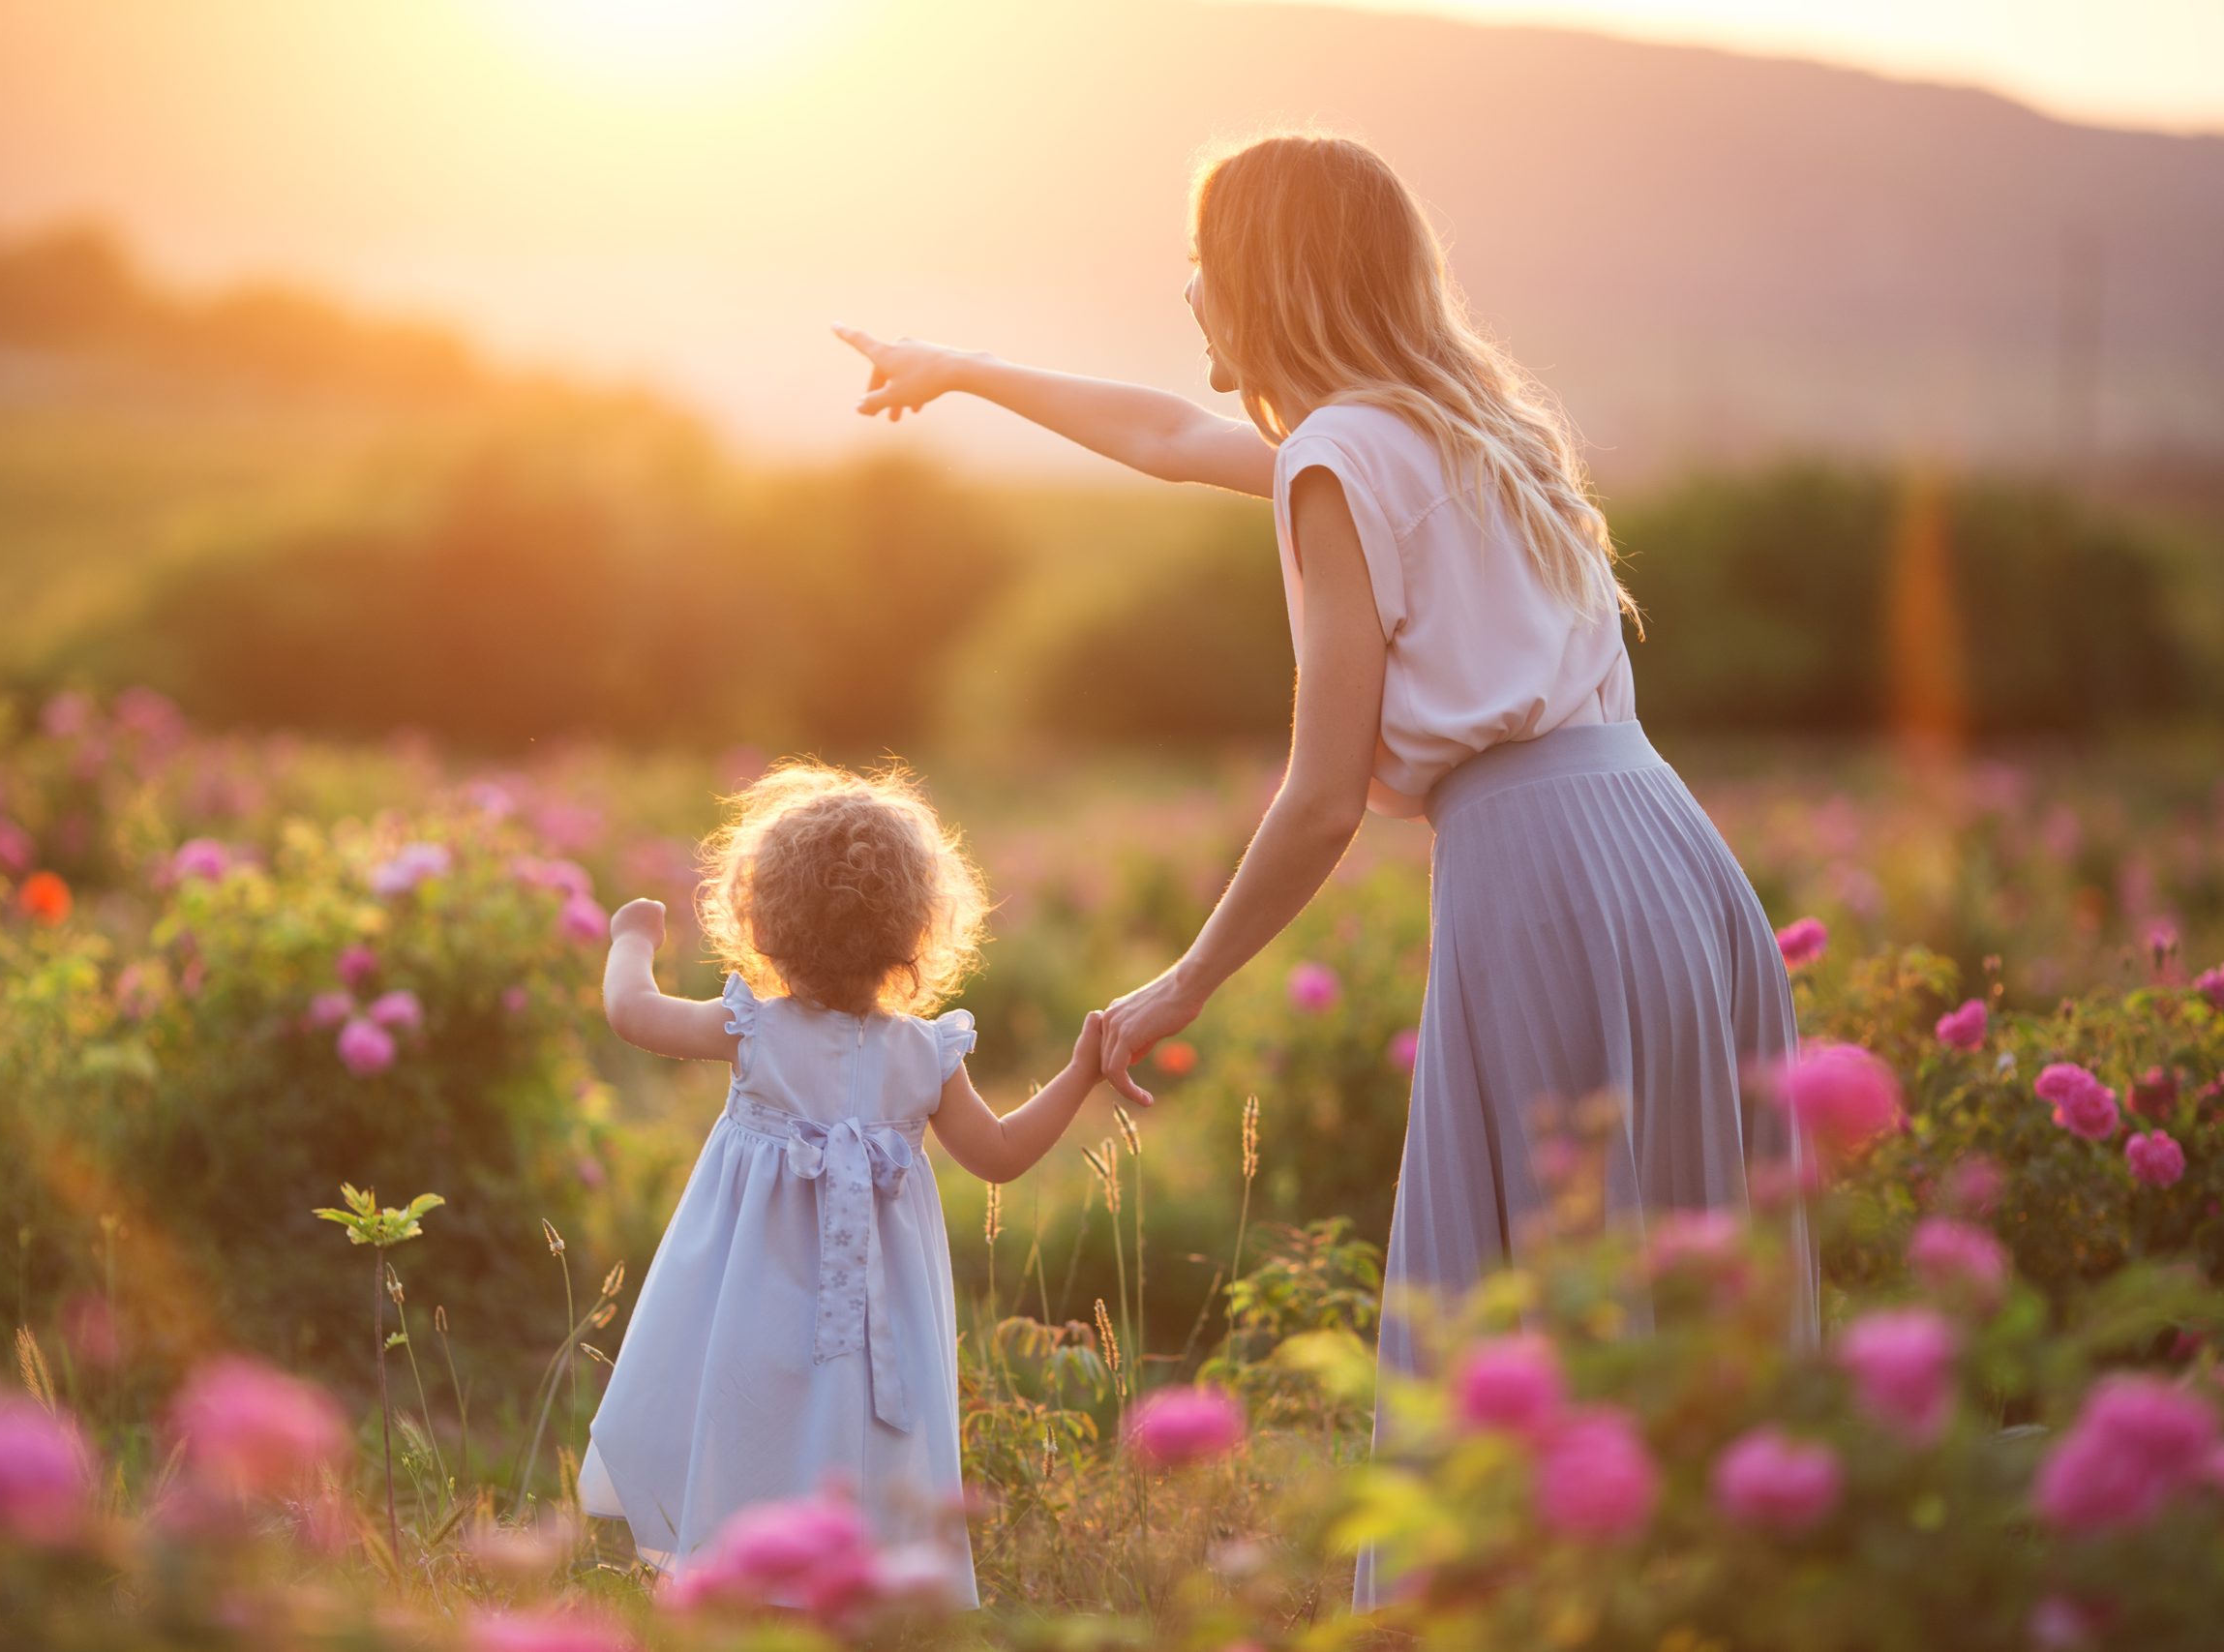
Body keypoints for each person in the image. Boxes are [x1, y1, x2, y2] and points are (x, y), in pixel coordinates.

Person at [838, 131, 1815, 1607]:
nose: (1183, 291)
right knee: (1667, 1281)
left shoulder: (1341, 464)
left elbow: (1317, 800)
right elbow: (1168, 436)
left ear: (1266, 277)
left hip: (1546, 874)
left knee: (1525, 1302)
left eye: (1203, 260)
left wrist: (1180, 978)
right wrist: (962, 363)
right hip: (1666, 849)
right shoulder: (1468, 424)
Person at [580, 761, 1112, 1606]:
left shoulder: (751, 1028)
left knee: (752, 1412)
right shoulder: (924, 1054)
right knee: (860, 1435)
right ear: (915, 928)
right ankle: (851, 1581)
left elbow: (632, 1012)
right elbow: (1003, 1152)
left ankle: (747, 1573)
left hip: (752, 1289)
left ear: (766, 917)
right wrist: (1082, 1069)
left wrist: (632, 937)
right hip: (879, 1321)